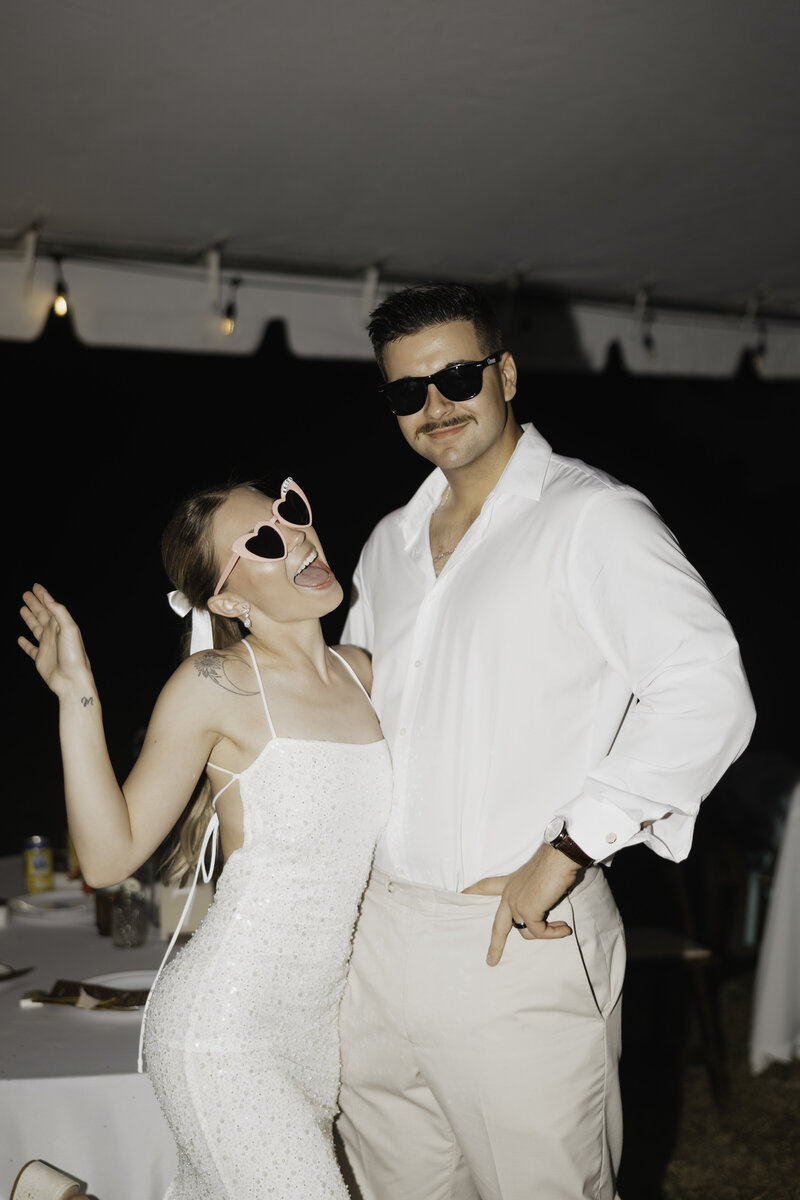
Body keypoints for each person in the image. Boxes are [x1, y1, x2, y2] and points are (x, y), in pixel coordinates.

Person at [336, 283, 756, 1200]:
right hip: (376, 940)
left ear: (507, 373)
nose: (435, 406)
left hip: (514, 936)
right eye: (408, 391)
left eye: (456, 376)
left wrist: (571, 847)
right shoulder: (386, 546)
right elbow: (351, 718)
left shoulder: (590, 516)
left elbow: (706, 688)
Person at [18, 476, 392, 1200]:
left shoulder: (366, 674)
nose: (296, 537)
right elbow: (107, 855)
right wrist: (77, 695)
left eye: (292, 513)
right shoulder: (214, 682)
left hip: (316, 1040)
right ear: (226, 600)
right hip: (224, 1033)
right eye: (263, 541)